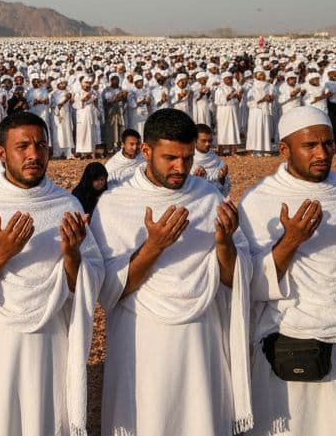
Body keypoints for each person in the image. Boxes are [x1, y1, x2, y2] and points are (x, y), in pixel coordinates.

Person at [89, 108, 253, 436]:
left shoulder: (209, 197)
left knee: (200, 418)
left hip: (202, 337)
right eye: (170, 158)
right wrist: (154, 246)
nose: (181, 168)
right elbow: (107, 291)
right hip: (142, 340)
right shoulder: (115, 204)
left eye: (188, 158)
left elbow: (237, 278)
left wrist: (224, 244)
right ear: (146, 151)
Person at [0, 111, 101, 435]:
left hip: (50, 347)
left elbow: (87, 281)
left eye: (41, 146)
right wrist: (2, 253)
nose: (33, 155)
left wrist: (72, 255)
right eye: (23, 146)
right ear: (1, 153)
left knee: (47, 419)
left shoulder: (66, 205)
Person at [237, 106, 336, 436]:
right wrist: (291, 241)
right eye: (310, 146)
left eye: (328, 144)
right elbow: (247, 284)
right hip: (283, 340)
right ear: (284, 149)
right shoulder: (258, 202)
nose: (322, 153)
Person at [192, 123, 230, 196]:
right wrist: (194, 180)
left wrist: (222, 179)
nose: (207, 144)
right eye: (203, 141)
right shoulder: (187, 160)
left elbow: (225, 191)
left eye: (210, 141)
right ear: (195, 140)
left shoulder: (217, 161)